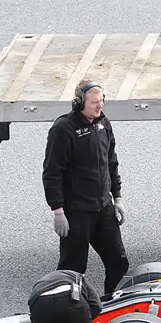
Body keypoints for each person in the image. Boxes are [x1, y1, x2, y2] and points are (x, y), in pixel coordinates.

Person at [42, 79, 130, 295]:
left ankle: (112, 305)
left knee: (118, 262)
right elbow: (52, 172)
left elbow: (111, 161)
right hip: (76, 213)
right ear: (78, 103)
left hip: (103, 209)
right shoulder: (63, 129)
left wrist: (117, 197)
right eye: (93, 103)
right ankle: (69, 313)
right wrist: (58, 211)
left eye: (101, 101)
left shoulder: (103, 123)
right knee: (72, 271)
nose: (99, 106)